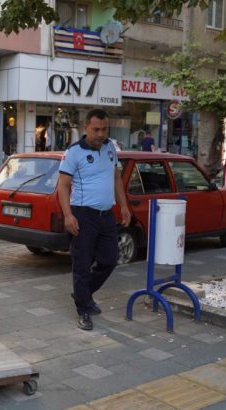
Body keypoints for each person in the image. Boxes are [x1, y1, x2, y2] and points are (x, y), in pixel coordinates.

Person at [56, 108, 130, 331]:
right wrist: (68, 216)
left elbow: (116, 178)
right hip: (82, 215)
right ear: (86, 127)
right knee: (82, 265)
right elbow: (63, 186)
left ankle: (84, 293)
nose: (100, 134)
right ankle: (83, 309)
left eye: (104, 129)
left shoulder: (110, 148)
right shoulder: (74, 152)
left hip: (106, 215)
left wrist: (124, 206)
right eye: (96, 129)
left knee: (110, 260)